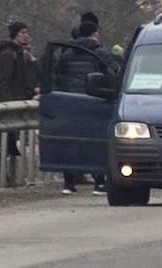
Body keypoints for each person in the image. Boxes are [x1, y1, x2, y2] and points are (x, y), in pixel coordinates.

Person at [59, 18, 110, 194]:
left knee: (70, 142)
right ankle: (100, 181)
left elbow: (57, 76)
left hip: (69, 101)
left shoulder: (66, 53)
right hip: (93, 101)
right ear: (94, 34)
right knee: (96, 142)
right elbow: (110, 73)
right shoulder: (99, 52)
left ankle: (68, 182)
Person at [0, 21, 36, 156]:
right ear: (15, 35)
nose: (26, 36)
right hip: (11, 101)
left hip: (18, 98)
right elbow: (3, 80)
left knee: (12, 136)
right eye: (22, 33)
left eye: (26, 32)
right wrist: (8, 101)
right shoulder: (8, 53)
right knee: (7, 136)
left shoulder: (19, 52)